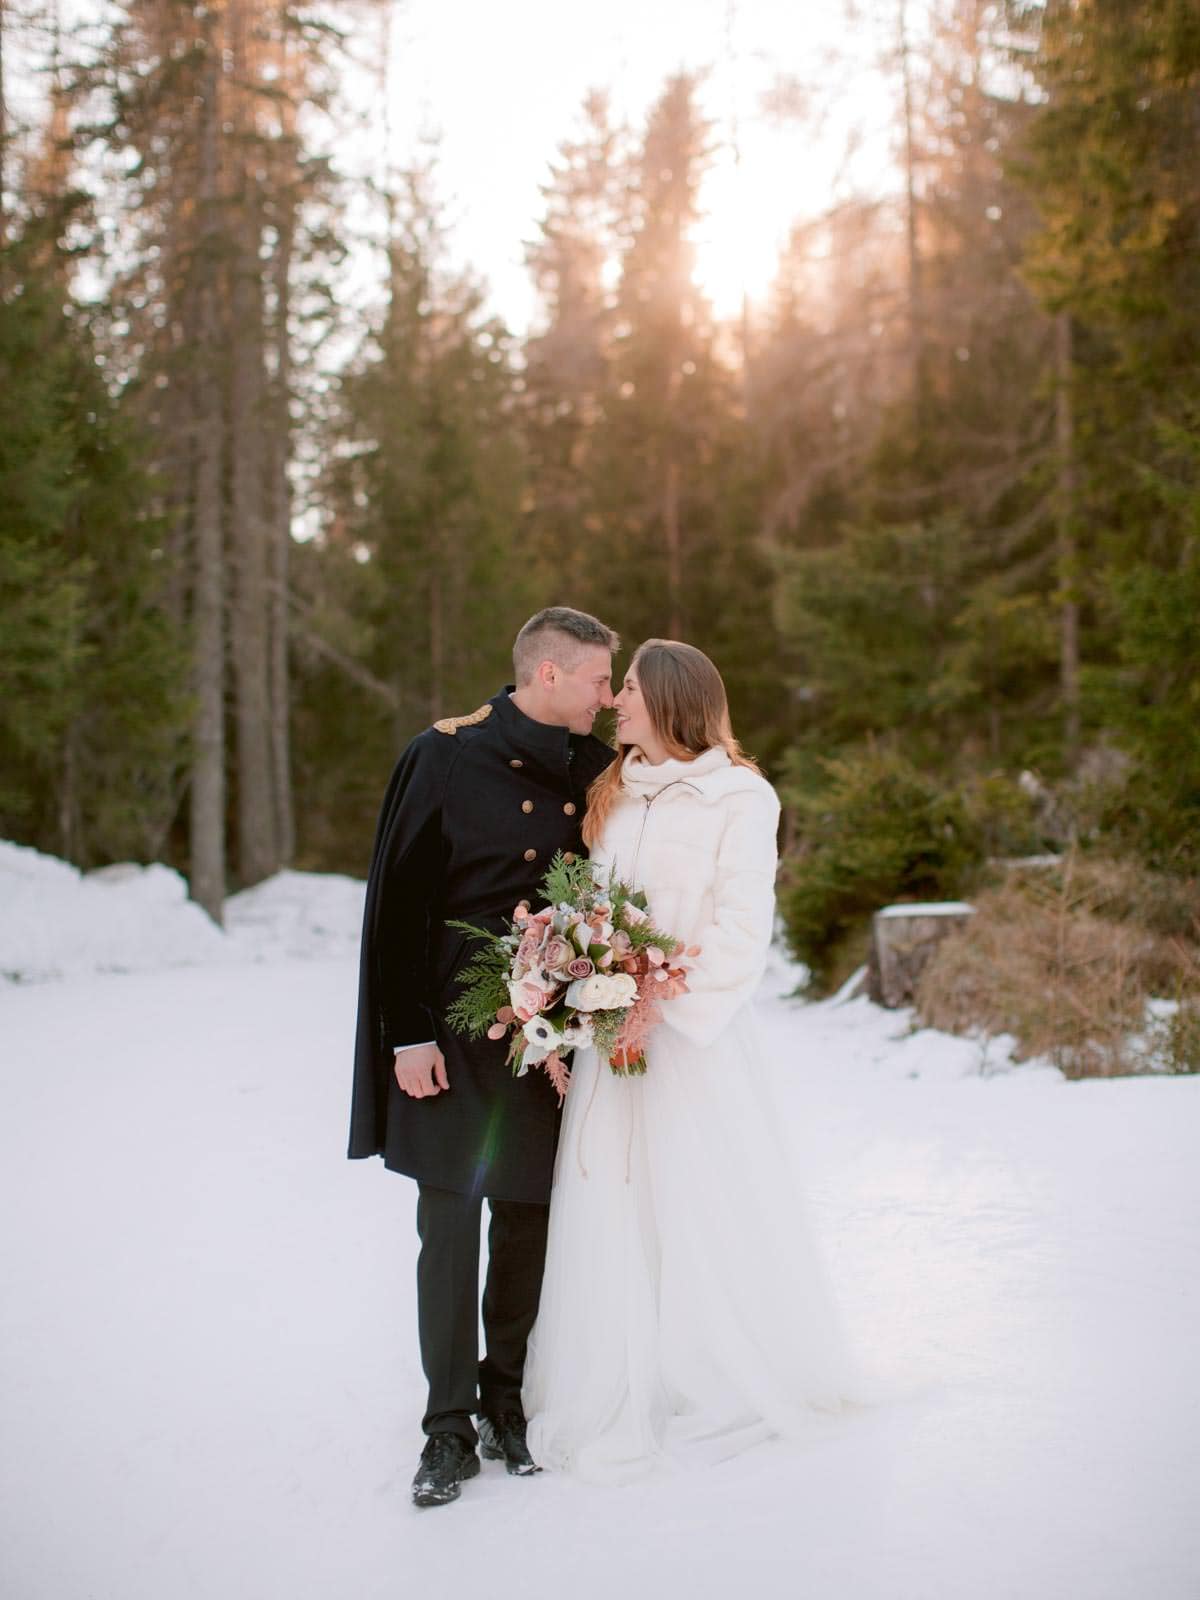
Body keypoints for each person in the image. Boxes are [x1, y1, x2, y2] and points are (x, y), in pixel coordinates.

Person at [523, 639, 861, 1483]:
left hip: (689, 1043)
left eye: (628, 688)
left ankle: (716, 1370)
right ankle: (623, 1374)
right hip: (610, 1043)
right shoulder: (615, 792)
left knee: (699, 1201)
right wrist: (581, 977)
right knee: (614, 1204)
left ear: (670, 700)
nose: (615, 702)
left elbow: (746, 930)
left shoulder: (742, 798)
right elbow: (595, 908)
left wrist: (655, 1000)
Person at [349, 606, 618, 1508]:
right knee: (451, 1223)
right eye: (596, 680)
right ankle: (446, 1429)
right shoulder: (445, 755)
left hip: (556, 1029)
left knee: (530, 1216)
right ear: (549, 675)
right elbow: (398, 904)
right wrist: (408, 1032)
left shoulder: (595, 768)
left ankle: (507, 1403)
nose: (608, 698)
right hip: (454, 1030)